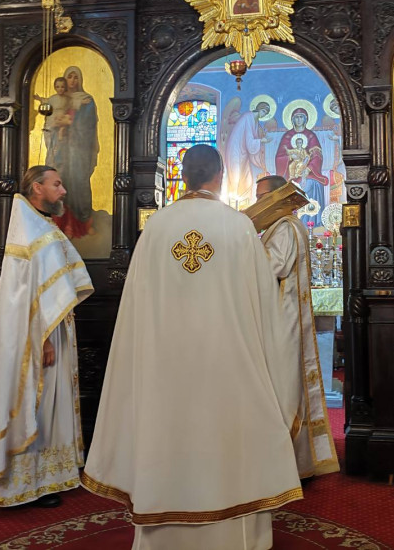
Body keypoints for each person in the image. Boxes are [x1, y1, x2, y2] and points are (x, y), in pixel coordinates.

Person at [82, 144, 302, 550]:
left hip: (164, 367)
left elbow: (136, 307)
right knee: (228, 443)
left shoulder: (157, 227)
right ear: (220, 176)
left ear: (181, 177)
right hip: (227, 366)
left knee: (166, 437)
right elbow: (264, 306)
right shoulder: (238, 227)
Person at [0, 166, 93, 507]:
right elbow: (27, 293)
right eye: (56, 184)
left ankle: (49, 478)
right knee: (36, 404)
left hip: (54, 328)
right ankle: (24, 485)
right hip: (40, 334)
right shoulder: (28, 229)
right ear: (37, 188)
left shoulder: (40, 224)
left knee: (52, 404)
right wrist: (42, 339)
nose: (62, 191)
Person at [256, 174, 340, 479]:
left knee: (284, 387)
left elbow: (273, 266)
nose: (257, 203)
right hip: (280, 314)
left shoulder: (285, 227)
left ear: (278, 196)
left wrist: (242, 248)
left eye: (262, 196)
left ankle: (287, 463)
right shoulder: (283, 226)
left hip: (283, 318)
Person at [50, 66, 99, 239]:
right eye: (69, 77)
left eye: (75, 77)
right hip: (62, 149)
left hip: (79, 149)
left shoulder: (86, 100)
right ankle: (64, 224)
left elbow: (88, 126)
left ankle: (84, 223)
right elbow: (51, 121)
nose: (72, 81)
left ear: (80, 80)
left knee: (80, 183)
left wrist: (71, 124)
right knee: (62, 182)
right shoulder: (60, 100)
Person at [276, 106, 328, 225]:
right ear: (292, 120)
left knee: (312, 184)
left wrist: (308, 168)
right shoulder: (287, 136)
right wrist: (290, 157)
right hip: (290, 173)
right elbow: (279, 157)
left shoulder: (311, 136)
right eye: (296, 117)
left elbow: (317, 155)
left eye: (301, 117)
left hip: (309, 173)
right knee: (287, 188)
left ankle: (310, 223)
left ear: (306, 120)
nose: (299, 120)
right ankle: (292, 223)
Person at [223, 101, 270, 208]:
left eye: (266, 114)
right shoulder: (248, 117)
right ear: (259, 109)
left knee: (248, 180)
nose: (263, 115)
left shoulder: (255, 122)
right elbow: (250, 141)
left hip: (244, 154)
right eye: (263, 111)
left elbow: (252, 143)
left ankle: (244, 207)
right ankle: (232, 206)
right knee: (235, 177)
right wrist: (261, 141)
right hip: (235, 151)